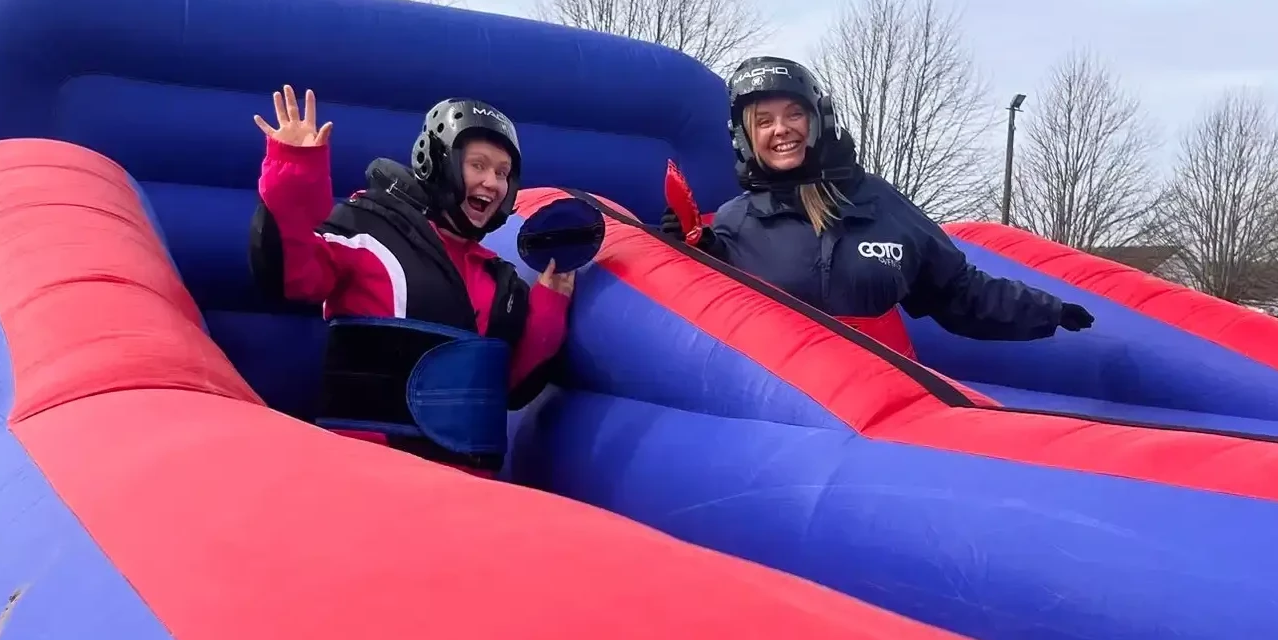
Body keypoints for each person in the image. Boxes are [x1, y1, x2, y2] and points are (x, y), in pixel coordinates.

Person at [660, 58, 1094, 358]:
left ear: (817, 119)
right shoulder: (733, 225)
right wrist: (685, 255)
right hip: (789, 420)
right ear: (745, 136)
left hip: (885, 410)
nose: (781, 130)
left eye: (793, 114)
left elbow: (959, 292)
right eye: (764, 120)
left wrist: (1046, 310)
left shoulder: (880, 204)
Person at [249, 86, 572, 475]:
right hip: (367, 479)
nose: (492, 182)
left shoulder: (499, 280)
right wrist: (295, 171)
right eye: (479, 165)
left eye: (503, 173)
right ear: (441, 162)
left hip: (470, 494)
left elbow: (513, 387)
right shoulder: (369, 231)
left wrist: (551, 305)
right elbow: (290, 275)